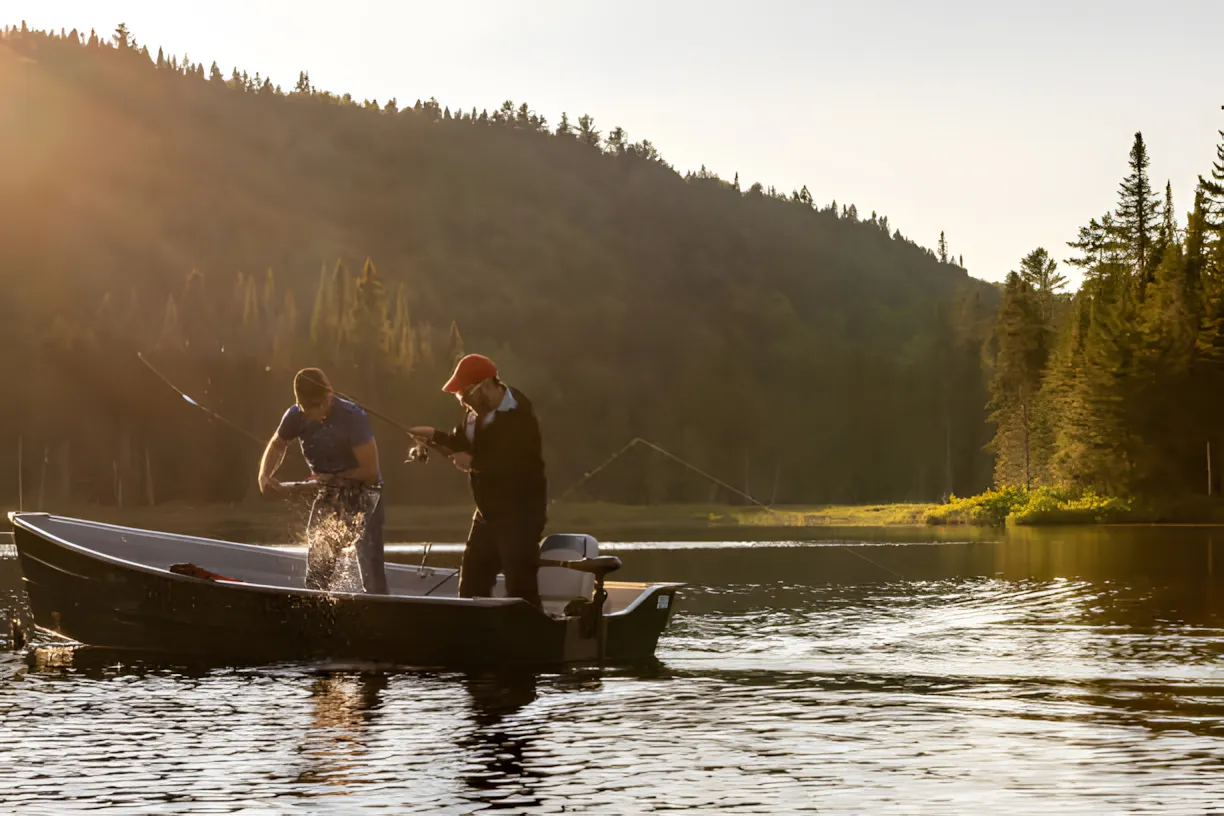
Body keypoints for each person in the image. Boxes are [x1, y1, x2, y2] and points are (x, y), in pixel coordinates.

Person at [410, 354, 547, 608]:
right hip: (487, 515)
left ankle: (530, 641)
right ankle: (477, 639)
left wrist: (473, 463)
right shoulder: (474, 414)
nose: (461, 401)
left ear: (484, 386)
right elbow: (462, 444)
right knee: (471, 586)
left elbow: (512, 462)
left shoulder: (519, 414)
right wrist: (434, 435)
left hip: (521, 516)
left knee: (521, 588)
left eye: (463, 394)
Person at [258, 367, 388, 595]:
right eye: (308, 410)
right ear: (300, 405)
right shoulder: (295, 416)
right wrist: (265, 475)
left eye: (320, 405)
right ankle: (319, 605)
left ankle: (378, 606)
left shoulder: (353, 417)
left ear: (329, 393)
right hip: (328, 490)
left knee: (370, 564)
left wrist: (334, 477)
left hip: (365, 491)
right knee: (319, 561)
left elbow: (369, 471)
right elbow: (279, 444)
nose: (316, 413)